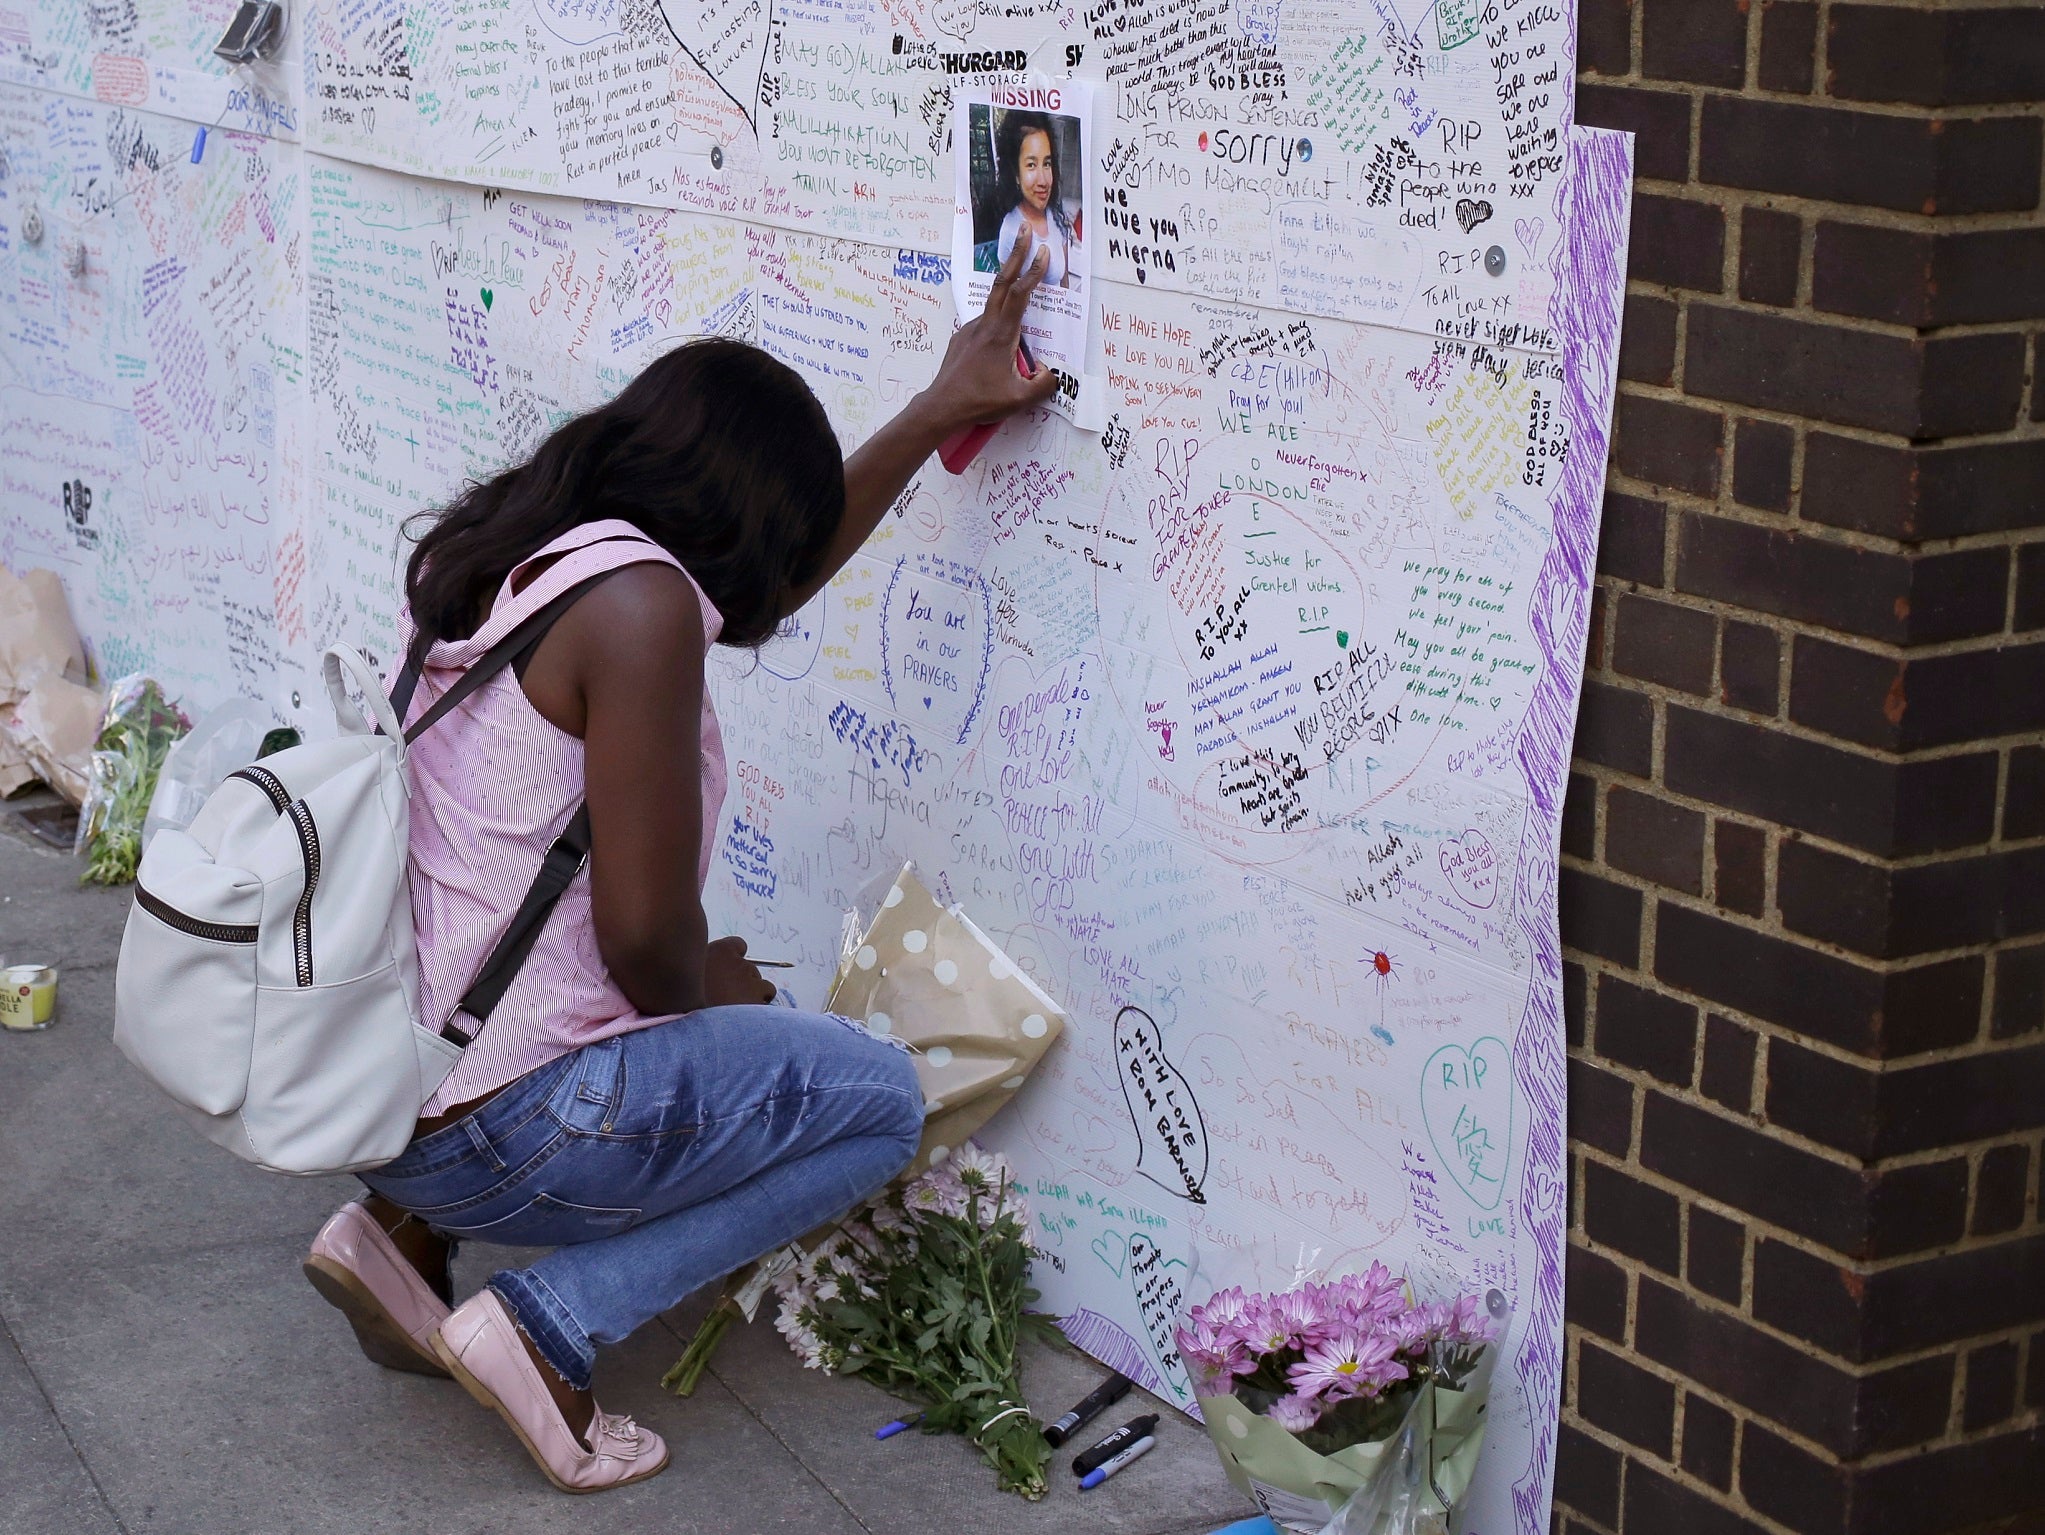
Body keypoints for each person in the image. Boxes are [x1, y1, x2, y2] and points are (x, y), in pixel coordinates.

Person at [299, 232, 1058, 1493]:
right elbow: (643, 940)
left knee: (526, 965)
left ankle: (397, 1232)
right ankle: (547, 1327)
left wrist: (934, 412)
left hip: (384, 1083)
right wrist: (709, 987)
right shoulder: (643, 612)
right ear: (738, 517)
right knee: (875, 1103)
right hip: (507, 1128)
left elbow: (764, 583)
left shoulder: (525, 550)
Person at [992, 110, 1080, 289]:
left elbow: (1064, 284)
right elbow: (1005, 292)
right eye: (1031, 165)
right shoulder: (1011, 230)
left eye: (1046, 164)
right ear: (1016, 173)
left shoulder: (1057, 219)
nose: (1043, 180)